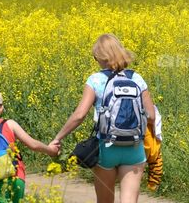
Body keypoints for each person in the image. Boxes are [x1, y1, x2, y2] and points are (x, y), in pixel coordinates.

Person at [50, 34, 157, 203]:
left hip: (106, 148)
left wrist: (58, 138)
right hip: (134, 148)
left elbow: (79, 115)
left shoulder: (95, 80)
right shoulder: (136, 78)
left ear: (99, 58)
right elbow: (151, 116)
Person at [0, 88, 60, 203]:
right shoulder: (8, 124)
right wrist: (51, 150)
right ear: (1, 108)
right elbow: (33, 145)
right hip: (15, 177)